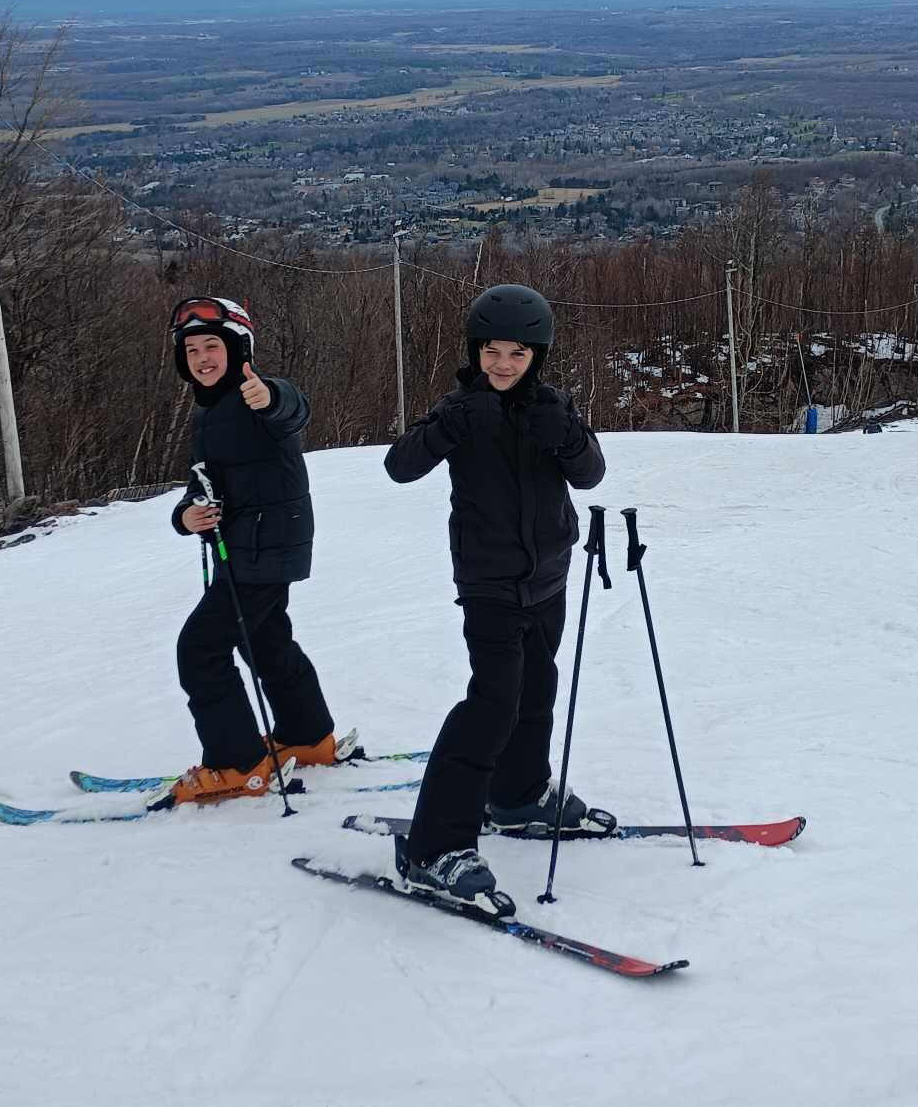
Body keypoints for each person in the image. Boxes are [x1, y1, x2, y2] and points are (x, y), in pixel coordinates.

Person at [382, 283, 611, 909]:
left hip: (548, 577)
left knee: (537, 689)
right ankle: (433, 848)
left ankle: (518, 795)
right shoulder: (461, 409)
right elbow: (399, 466)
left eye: (516, 353)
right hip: (488, 584)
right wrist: (446, 427)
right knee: (491, 705)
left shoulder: (553, 407)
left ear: (537, 355)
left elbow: (590, 473)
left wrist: (565, 435)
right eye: (491, 351)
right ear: (475, 351)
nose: (502, 365)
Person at [164, 295, 342, 804]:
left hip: (263, 550)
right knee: (265, 641)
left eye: (212, 346)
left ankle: (237, 764)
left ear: (237, 348)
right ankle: (309, 737)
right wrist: (186, 515)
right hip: (247, 548)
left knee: (200, 649)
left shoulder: (252, 397)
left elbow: (291, 409)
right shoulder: (210, 413)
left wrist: (273, 397)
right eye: (192, 349)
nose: (202, 357)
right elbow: (205, 484)